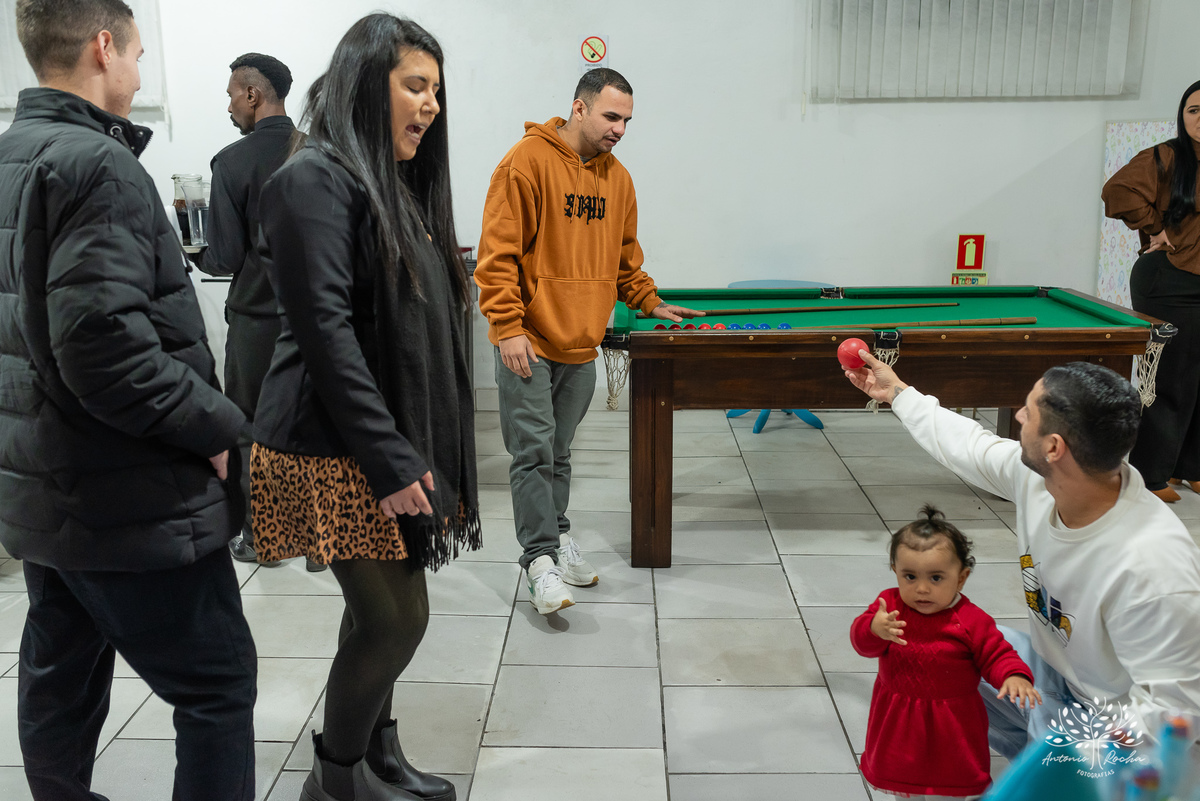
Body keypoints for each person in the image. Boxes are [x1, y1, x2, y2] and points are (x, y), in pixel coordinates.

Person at [1, 1, 258, 799]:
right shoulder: (97, 165)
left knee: (61, 674)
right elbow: (102, 346)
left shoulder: (12, 155)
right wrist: (217, 425)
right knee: (216, 685)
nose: (141, 76)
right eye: (139, 56)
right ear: (103, 46)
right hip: (127, 493)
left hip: (46, 483)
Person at [252, 13, 478, 801]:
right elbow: (326, 335)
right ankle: (336, 778)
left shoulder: (385, 182)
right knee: (395, 619)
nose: (431, 105)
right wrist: (390, 456)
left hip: (370, 436)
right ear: (364, 84)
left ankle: (378, 753)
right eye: (415, 85)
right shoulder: (312, 178)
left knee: (375, 611)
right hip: (327, 443)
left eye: (437, 90)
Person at [844, 354, 1200, 765]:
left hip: (1115, 720)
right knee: (949, 641)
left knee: (1057, 769)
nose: (1017, 416)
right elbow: (970, 446)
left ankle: (1056, 766)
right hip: (1058, 677)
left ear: (1054, 447)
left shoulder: (1152, 567)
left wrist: (1074, 758)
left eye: (1028, 412)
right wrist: (897, 393)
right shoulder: (1045, 477)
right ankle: (1038, 750)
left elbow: (1177, 712)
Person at [476, 67, 702, 614]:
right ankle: (539, 562)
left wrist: (649, 300)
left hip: (581, 343)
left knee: (558, 452)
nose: (620, 129)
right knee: (532, 453)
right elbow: (497, 255)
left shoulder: (618, 180)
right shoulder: (525, 163)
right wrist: (508, 327)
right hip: (529, 341)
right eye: (611, 116)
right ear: (579, 108)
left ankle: (556, 539)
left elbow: (625, 261)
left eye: (627, 120)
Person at [192, 52, 324, 571]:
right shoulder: (319, 152)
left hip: (256, 321)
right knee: (313, 423)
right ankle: (319, 544)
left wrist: (193, 252)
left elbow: (225, 257)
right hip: (317, 319)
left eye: (231, 95)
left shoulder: (231, 162)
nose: (228, 106)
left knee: (250, 429)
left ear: (252, 94)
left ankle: (261, 539)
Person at [851, 505, 1039, 800]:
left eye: (936, 578)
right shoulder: (889, 608)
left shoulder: (970, 620)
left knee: (947, 788)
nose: (921, 589)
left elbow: (997, 653)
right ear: (895, 571)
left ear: (961, 578)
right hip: (899, 725)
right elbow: (862, 644)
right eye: (910, 576)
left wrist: (1014, 675)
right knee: (904, 787)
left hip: (951, 729)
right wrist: (873, 628)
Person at [1102, 79, 1200, 503]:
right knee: (1170, 377)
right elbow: (1117, 191)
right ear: (1182, 115)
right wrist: (1156, 227)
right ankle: (1152, 474)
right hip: (1168, 280)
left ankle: (1191, 468)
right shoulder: (1166, 156)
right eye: (1194, 110)